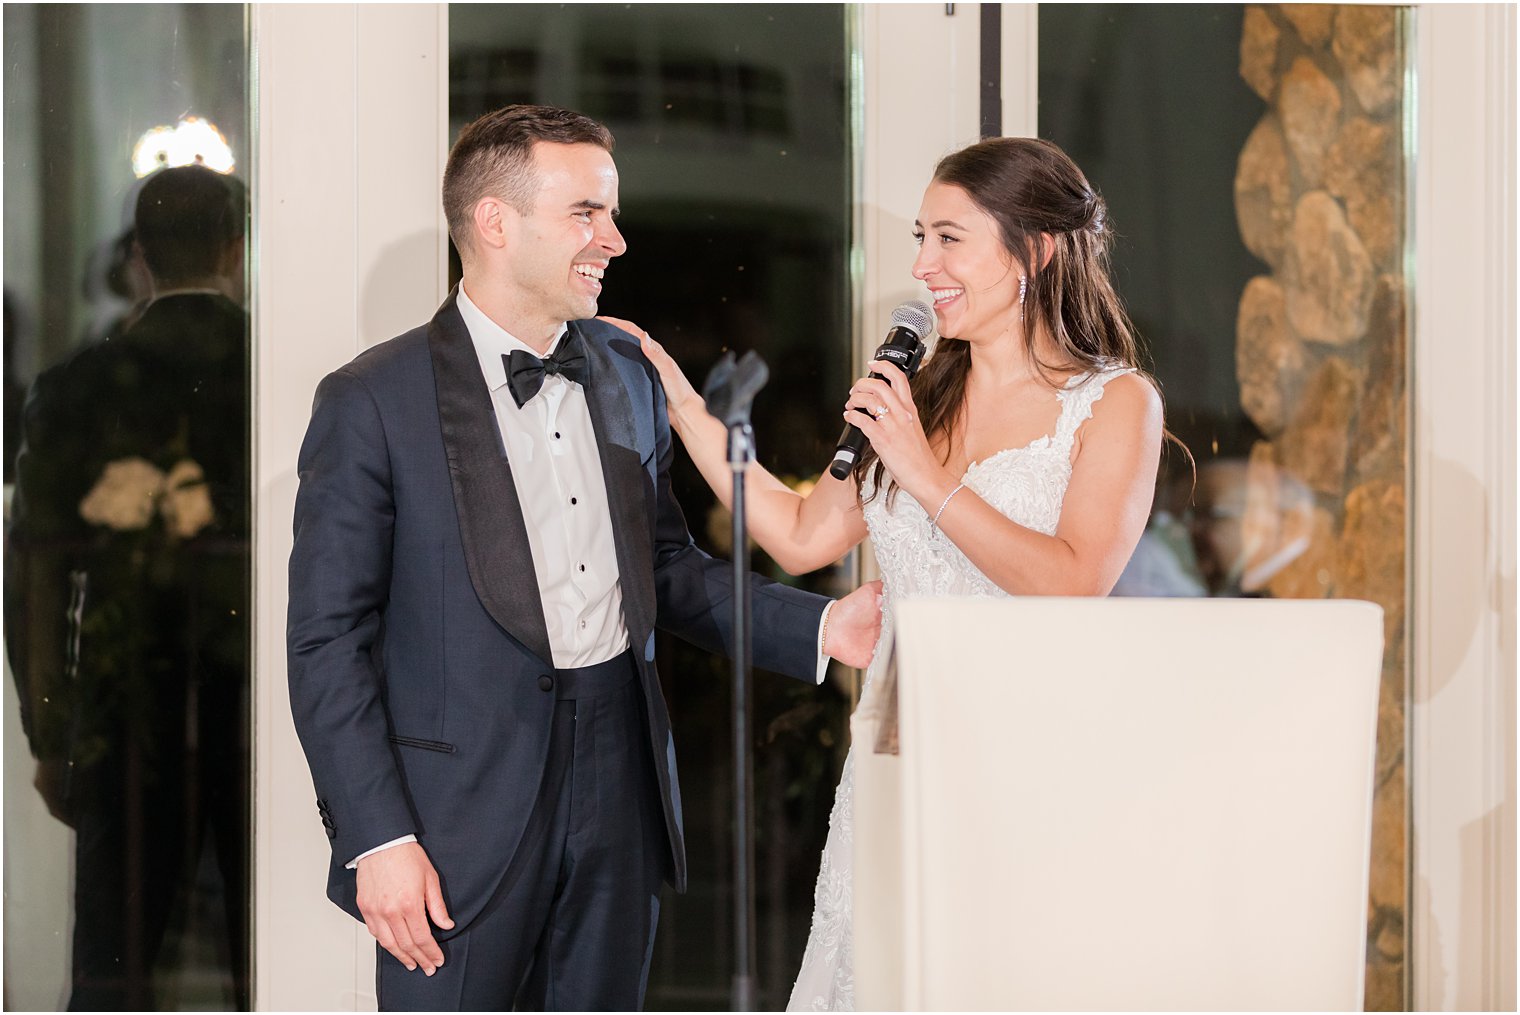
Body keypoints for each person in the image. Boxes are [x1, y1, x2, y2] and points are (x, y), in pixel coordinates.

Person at [284, 104, 881, 1012]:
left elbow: (667, 568)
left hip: (620, 782)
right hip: (454, 817)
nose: (616, 238)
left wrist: (826, 624)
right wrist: (377, 837)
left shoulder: (628, 368)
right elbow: (326, 640)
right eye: (587, 213)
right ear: (495, 223)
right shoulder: (371, 399)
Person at [607, 135, 1165, 1011]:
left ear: (1038, 250)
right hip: (896, 758)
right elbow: (799, 535)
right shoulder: (919, 394)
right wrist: (678, 398)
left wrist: (927, 476)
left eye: (949, 238)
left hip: (1029, 767)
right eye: (919, 238)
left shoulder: (1114, 400)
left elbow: (1072, 579)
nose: (922, 265)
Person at [6, 164, 251, 1009]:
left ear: (140, 257)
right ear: (236, 249)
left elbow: (36, 572)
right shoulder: (278, 373)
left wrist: (49, 727)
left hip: (124, 710)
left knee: (113, 967)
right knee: (270, 962)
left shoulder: (75, 388)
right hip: (261, 710)